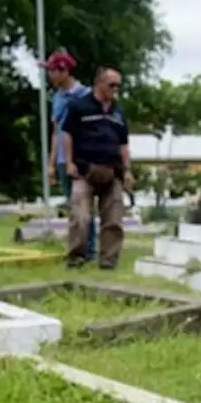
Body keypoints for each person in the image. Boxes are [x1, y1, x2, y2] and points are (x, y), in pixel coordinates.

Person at [60, 66, 133, 270]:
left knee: (114, 221)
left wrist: (127, 170)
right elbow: (66, 135)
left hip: (112, 172)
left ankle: (108, 262)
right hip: (84, 170)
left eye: (118, 86)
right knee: (80, 218)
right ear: (99, 83)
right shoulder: (78, 106)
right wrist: (69, 162)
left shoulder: (118, 112)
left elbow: (124, 144)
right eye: (112, 85)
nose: (115, 89)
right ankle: (76, 259)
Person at [41, 51, 94, 255]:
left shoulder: (86, 95)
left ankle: (89, 249)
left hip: (81, 158)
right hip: (63, 159)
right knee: (73, 206)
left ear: (63, 70)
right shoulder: (57, 98)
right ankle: (76, 248)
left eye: (52, 71)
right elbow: (56, 132)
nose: (49, 76)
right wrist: (51, 164)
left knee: (84, 206)